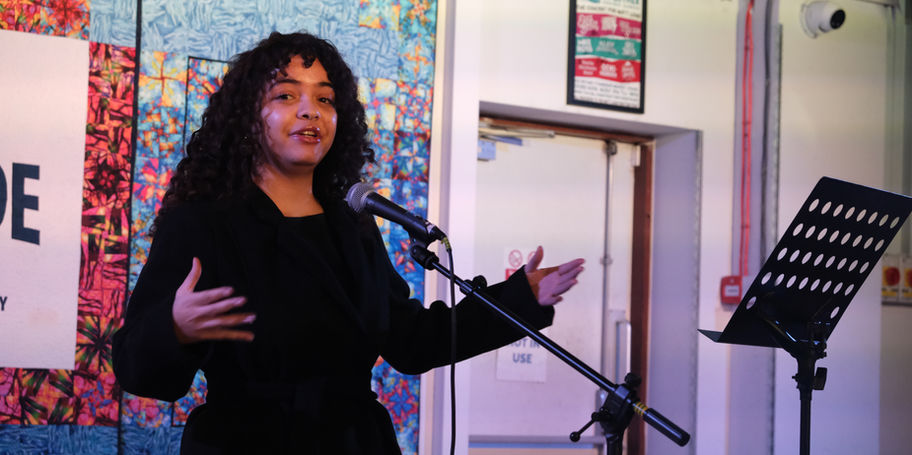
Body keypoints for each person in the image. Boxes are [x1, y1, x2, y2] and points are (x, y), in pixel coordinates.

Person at [112, 31, 585, 454]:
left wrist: (520, 298)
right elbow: (138, 370)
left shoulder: (351, 222)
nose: (310, 110)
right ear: (246, 117)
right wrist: (173, 328)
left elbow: (413, 342)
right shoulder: (204, 222)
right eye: (285, 95)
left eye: (325, 98)